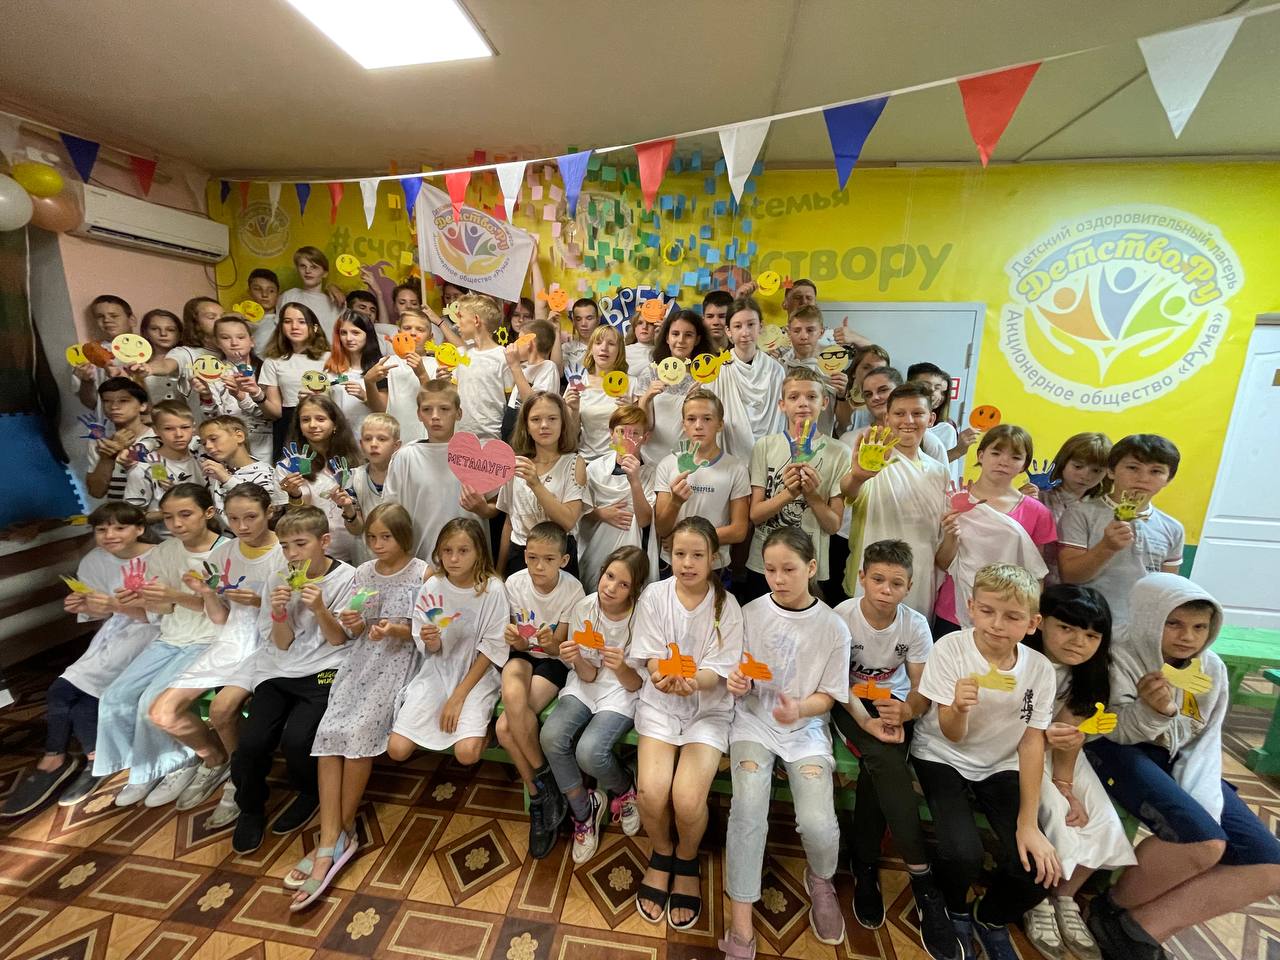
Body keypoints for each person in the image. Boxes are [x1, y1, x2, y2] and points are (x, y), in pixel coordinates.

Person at [1085, 575, 1280, 959]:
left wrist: (1204, 790)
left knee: (1270, 865)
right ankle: (1110, 908)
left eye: (1199, 627)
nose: (1187, 637)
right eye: (1173, 624)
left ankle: (1140, 931)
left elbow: (1205, 734)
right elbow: (1109, 730)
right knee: (1203, 842)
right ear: (1149, 618)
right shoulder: (1114, 654)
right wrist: (1152, 711)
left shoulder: (1210, 667)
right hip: (1118, 749)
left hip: (1182, 757)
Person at [910, 563, 1061, 960]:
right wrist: (958, 707)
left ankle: (989, 916)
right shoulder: (951, 649)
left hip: (1000, 763)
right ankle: (951, 905)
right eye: (988, 611)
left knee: (1036, 869)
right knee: (963, 853)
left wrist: (1029, 823)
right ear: (971, 608)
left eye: (1012, 616)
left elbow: (1032, 742)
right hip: (941, 754)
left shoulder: (1039, 669)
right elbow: (950, 733)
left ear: (1032, 623)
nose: (997, 624)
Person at [287, 503, 427, 910]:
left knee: (358, 733)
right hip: (360, 661)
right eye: (372, 538)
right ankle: (333, 836)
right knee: (329, 734)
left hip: (398, 663)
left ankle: (336, 836)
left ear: (404, 537)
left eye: (387, 537)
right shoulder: (363, 574)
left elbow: (428, 631)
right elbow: (344, 634)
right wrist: (348, 621)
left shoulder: (422, 574)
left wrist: (396, 629)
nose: (379, 545)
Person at [721, 528, 851, 958]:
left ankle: (821, 878)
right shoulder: (750, 613)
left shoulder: (833, 626)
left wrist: (800, 709)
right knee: (748, 809)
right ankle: (741, 921)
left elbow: (829, 695)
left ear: (811, 568)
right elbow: (738, 673)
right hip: (754, 723)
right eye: (771, 569)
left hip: (806, 728)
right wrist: (737, 683)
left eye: (789, 570)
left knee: (817, 823)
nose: (778, 579)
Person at [830, 540, 958, 959]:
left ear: (909, 587)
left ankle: (864, 862)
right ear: (862, 578)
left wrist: (906, 712)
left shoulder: (915, 625)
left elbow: (922, 688)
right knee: (886, 761)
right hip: (851, 702)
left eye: (896, 583)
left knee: (880, 767)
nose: (886, 590)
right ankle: (922, 875)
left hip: (895, 704)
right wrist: (867, 720)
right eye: (878, 579)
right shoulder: (841, 617)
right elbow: (835, 681)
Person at [1, 502, 158, 816]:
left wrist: (112, 606)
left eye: (120, 527)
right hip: (117, 629)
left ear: (139, 528)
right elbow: (100, 615)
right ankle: (87, 758)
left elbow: (158, 614)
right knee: (70, 693)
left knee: (72, 694)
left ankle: (63, 759)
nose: (110, 535)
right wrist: (84, 606)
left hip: (153, 630)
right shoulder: (94, 560)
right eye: (102, 529)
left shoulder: (160, 557)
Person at [630, 517, 744, 929]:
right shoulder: (655, 596)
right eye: (680, 554)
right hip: (660, 706)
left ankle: (686, 858)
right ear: (669, 555)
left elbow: (719, 670)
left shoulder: (727, 606)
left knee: (688, 799)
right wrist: (661, 676)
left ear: (714, 558)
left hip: (708, 711)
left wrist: (695, 682)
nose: (687, 563)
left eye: (697, 555)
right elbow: (650, 655)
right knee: (650, 793)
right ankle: (662, 853)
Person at [147, 485, 284, 822]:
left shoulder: (285, 553)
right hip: (231, 640)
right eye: (234, 519)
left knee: (221, 711)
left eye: (251, 517)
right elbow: (220, 617)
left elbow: (296, 613)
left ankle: (241, 778)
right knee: (162, 713)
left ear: (269, 513)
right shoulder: (223, 555)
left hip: (270, 642)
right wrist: (207, 594)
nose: (242, 526)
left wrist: (261, 602)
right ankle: (216, 760)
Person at [230, 505, 357, 854]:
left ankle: (309, 792)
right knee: (252, 742)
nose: (293, 554)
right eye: (285, 546)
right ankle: (250, 807)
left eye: (301, 544)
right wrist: (278, 612)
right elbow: (282, 643)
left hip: (326, 667)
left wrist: (319, 609)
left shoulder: (347, 577)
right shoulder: (278, 580)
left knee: (299, 739)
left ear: (324, 541)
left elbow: (339, 640)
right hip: (279, 669)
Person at [92, 484, 228, 807]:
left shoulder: (227, 551)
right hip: (172, 638)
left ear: (208, 513)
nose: (176, 524)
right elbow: (164, 609)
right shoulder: (165, 552)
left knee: (150, 703)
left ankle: (180, 761)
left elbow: (225, 614)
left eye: (185, 514)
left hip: (213, 639)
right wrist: (139, 599)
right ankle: (144, 765)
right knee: (113, 698)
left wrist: (175, 596)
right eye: (168, 517)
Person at [1020, 584, 1135, 960]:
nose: (1078, 642)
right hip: (1015, 750)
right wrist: (1056, 786)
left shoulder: (1090, 675)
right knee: (1054, 813)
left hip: (1061, 752)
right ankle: (1035, 899)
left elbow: (1071, 736)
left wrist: (1065, 784)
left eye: (1091, 635)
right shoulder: (1019, 659)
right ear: (1040, 622)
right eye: (1066, 628)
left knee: (1100, 815)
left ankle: (1065, 897)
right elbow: (1008, 730)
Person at [540, 546, 649, 862]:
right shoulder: (584, 607)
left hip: (623, 691)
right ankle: (584, 811)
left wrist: (621, 667)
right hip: (586, 684)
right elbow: (587, 675)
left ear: (635, 590)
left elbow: (635, 683)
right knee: (551, 737)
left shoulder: (642, 618)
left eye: (623, 584)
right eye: (609, 576)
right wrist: (573, 658)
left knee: (589, 752)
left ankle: (625, 788)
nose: (611, 588)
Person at [388, 518, 509, 766]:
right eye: (447, 550)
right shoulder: (433, 586)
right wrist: (431, 641)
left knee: (466, 754)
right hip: (438, 670)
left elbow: (492, 649)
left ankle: (486, 732)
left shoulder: (493, 589)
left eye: (463, 551)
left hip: (477, 674)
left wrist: (458, 697)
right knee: (397, 750)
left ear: (478, 552)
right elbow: (430, 648)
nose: (454, 559)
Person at [496, 522, 586, 857]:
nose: (538, 566)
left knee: (504, 728)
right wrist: (518, 641)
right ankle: (547, 780)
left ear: (563, 560)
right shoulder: (514, 583)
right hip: (521, 656)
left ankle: (538, 797)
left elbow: (561, 648)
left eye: (548, 559)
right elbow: (514, 641)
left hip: (552, 663)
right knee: (512, 695)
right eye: (532, 557)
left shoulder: (573, 590)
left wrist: (550, 644)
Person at [933, 425, 1055, 636]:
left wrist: (1028, 615)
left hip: (1006, 616)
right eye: (996, 453)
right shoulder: (954, 499)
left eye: (1015, 457)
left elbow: (1035, 573)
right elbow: (943, 563)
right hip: (953, 610)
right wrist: (951, 535)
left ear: (1024, 465)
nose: (1003, 462)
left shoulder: (1038, 512)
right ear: (981, 455)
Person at [841, 380, 949, 617]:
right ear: (887, 418)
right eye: (900, 413)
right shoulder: (873, 459)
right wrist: (858, 476)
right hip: (869, 581)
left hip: (919, 585)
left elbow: (940, 537)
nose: (908, 421)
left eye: (917, 413)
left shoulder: (940, 472)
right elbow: (848, 491)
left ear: (931, 419)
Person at [1057, 434, 1185, 624]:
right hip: (1087, 623)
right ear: (1111, 471)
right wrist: (1106, 547)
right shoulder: (1080, 513)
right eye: (1133, 468)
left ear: (1168, 479)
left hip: (1141, 625)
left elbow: (1167, 588)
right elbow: (1070, 576)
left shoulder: (1173, 528)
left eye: (1156, 471)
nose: (1143, 478)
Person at [747, 368, 850, 599]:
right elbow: (755, 515)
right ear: (782, 405)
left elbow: (833, 525)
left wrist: (812, 495)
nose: (803, 403)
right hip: (764, 564)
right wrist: (788, 494)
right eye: (794, 397)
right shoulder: (765, 446)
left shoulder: (839, 453)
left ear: (824, 402)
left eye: (811, 397)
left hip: (809, 567)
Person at [483, 392, 583, 575]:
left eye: (552, 418)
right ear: (527, 426)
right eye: (536, 419)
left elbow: (568, 521)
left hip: (558, 556)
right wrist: (499, 570)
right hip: (519, 554)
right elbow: (510, 522)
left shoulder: (574, 463)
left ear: (562, 423)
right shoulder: (515, 464)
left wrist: (536, 484)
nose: (544, 425)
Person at [654, 389, 750, 578]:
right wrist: (675, 502)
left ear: (720, 424)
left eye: (707, 419)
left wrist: (686, 541)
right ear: (683, 425)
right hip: (673, 564)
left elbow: (739, 530)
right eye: (691, 419)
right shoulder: (668, 464)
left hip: (715, 566)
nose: (698, 426)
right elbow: (662, 528)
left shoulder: (736, 468)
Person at [382, 380, 481, 561]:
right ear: (419, 414)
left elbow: (496, 507)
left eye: (444, 409)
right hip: (420, 560)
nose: (435, 416)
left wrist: (483, 508)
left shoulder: (476, 455)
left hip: (469, 562)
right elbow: (391, 512)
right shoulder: (405, 457)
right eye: (427, 409)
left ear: (458, 413)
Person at [275, 394, 364, 563]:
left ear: (335, 424)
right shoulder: (287, 467)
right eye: (305, 420)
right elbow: (294, 522)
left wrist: (348, 509)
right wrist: (294, 496)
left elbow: (359, 526)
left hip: (356, 554)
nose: (313, 425)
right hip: (314, 558)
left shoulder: (356, 463)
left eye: (320, 419)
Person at [576, 404, 654, 590]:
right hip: (595, 546)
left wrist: (635, 481)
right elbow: (579, 510)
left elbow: (645, 520)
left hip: (632, 548)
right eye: (621, 431)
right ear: (611, 434)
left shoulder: (652, 472)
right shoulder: (595, 469)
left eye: (635, 433)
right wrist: (600, 513)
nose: (627, 438)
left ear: (645, 438)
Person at [706, 295, 785, 461]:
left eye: (751, 324)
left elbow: (780, 418)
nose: (745, 332)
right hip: (729, 456)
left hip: (768, 456)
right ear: (728, 331)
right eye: (737, 326)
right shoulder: (717, 369)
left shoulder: (776, 370)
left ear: (760, 327)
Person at [635, 309, 710, 465]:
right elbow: (644, 426)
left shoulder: (705, 378)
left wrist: (699, 402)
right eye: (675, 334)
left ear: (697, 340)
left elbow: (710, 425)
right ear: (667, 338)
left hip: (689, 461)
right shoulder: (651, 373)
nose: (681, 340)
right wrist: (647, 397)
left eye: (688, 335)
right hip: (651, 461)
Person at [258, 301, 332, 459]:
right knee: (289, 471)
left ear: (315, 327)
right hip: (288, 424)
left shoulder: (330, 358)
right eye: (287, 321)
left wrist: (319, 398)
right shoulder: (273, 361)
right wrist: (256, 395)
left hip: (323, 421)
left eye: (302, 322)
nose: (294, 327)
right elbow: (275, 412)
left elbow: (339, 396)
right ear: (281, 327)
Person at [194, 315, 273, 463]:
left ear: (252, 341)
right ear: (217, 342)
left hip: (263, 443)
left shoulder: (266, 369)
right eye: (225, 338)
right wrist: (206, 396)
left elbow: (271, 413)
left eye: (241, 337)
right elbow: (212, 419)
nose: (234, 343)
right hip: (228, 444)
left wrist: (242, 396)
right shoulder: (213, 373)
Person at [122, 400, 204, 535]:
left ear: (193, 427)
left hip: (208, 536)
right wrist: (169, 512)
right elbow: (129, 517)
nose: (178, 434)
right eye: (169, 429)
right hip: (165, 541)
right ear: (156, 430)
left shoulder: (204, 456)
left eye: (185, 427)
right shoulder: (143, 469)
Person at [363, 307, 438, 444]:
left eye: (420, 329)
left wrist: (422, 374)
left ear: (430, 337)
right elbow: (380, 410)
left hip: (426, 439)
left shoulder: (437, 365)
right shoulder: (386, 363)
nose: (413, 333)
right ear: (399, 333)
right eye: (407, 328)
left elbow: (437, 403)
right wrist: (369, 382)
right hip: (394, 439)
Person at [331, 412, 401, 556]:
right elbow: (356, 529)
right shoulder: (352, 478)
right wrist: (348, 509)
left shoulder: (405, 476)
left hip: (402, 554)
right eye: (368, 439)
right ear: (361, 445)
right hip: (367, 557)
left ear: (396, 446)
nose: (373, 444)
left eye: (382, 439)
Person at [566, 324, 634, 460]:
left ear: (619, 351)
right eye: (598, 343)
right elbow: (570, 438)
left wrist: (629, 413)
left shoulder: (631, 383)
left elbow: (640, 433)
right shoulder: (577, 384)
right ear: (591, 349)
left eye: (611, 344)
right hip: (585, 461)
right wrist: (573, 410)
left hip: (620, 461)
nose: (604, 348)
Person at [197, 415, 285, 518]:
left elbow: (269, 514)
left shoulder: (267, 473)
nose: (208, 446)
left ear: (239, 436)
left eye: (213, 439)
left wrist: (227, 480)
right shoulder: (214, 471)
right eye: (204, 443)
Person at [454, 293, 514, 441]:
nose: (457, 324)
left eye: (461, 317)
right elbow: (454, 393)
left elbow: (510, 399)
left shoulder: (503, 356)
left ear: (476, 320)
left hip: (492, 436)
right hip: (461, 434)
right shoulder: (461, 354)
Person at [84, 376, 152, 501]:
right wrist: (107, 457)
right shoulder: (99, 440)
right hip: (117, 511)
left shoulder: (158, 438)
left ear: (142, 406)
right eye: (107, 401)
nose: (114, 406)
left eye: (123, 400)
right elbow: (96, 492)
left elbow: (167, 484)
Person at [907, 361, 978, 479]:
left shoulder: (946, 429)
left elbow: (945, 473)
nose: (932, 391)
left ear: (931, 419)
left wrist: (957, 451)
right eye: (925, 385)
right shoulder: (897, 424)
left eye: (937, 388)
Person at [72, 294, 133, 411]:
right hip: (107, 419)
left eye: (114, 316)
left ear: (132, 320)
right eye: (100, 316)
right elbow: (90, 403)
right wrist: (86, 382)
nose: (107, 320)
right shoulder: (88, 354)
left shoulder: (147, 350)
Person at [325, 309, 380, 428]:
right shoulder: (331, 370)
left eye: (355, 332)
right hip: (340, 435)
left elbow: (386, 410)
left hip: (371, 434)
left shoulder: (379, 369)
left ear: (368, 335)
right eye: (343, 333)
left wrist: (364, 395)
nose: (349, 338)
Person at [278, 246, 341, 329]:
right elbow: (278, 329)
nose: (307, 271)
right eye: (303, 266)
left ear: (325, 273)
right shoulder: (289, 296)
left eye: (314, 267)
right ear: (297, 269)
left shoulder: (335, 300)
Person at [138, 308, 183, 405]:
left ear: (180, 334)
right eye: (154, 329)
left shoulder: (188, 357)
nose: (163, 334)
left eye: (170, 330)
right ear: (145, 332)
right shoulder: (138, 362)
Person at [247, 267, 282, 354]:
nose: (264, 294)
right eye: (257, 289)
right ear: (249, 292)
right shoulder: (241, 322)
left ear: (278, 293)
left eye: (271, 291)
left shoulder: (282, 322)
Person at [562, 298, 602, 370]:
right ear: (573, 322)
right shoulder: (566, 349)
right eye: (578, 319)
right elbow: (558, 372)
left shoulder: (607, 348)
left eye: (589, 318)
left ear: (598, 320)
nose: (583, 324)